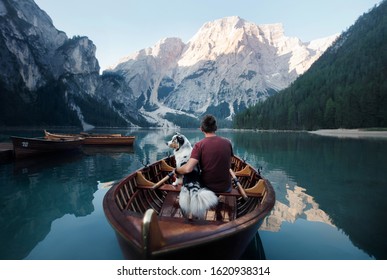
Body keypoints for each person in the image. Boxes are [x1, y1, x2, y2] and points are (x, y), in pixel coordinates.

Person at [175, 114, 234, 193]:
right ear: (216, 128)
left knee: (190, 173)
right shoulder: (228, 142)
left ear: (201, 129)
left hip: (206, 187)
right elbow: (229, 165)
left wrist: (177, 171)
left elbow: (188, 169)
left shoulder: (199, 145)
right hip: (226, 187)